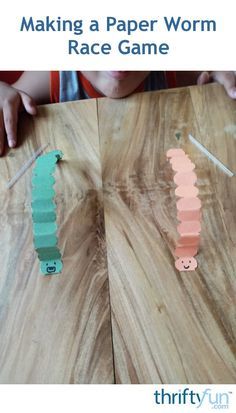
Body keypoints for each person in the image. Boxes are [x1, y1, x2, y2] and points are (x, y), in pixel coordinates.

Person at [0, 70, 236, 156]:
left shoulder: (175, 71)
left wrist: (218, 79)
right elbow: (12, 100)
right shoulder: (51, 74)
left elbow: (213, 73)